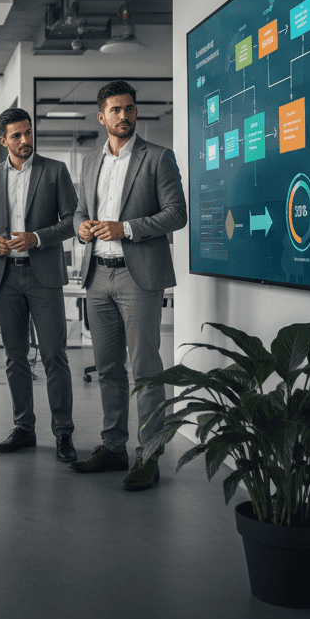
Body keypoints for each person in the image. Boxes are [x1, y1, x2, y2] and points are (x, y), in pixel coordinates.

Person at [69, 80, 187, 490]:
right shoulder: (88, 162)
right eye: (116, 110)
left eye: (130, 108)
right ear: (101, 116)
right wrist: (81, 228)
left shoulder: (158, 158)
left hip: (139, 276)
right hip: (97, 275)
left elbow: (177, 214)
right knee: (107, 369)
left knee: (146, 370)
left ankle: (150, 454)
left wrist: (128, 228)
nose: (124, 115)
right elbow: (80, 210)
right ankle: (113, 447)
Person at [0, 107, 79, 463]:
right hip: (7, 277)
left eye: (28, 133)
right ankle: (24, 428)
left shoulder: (55, 171)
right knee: (15, 358)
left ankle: (63, 432)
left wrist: (36, 237)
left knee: (54, 355)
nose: (24, 140)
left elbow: (71, 222)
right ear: (3, 140)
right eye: (16, 136)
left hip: (43, 276)